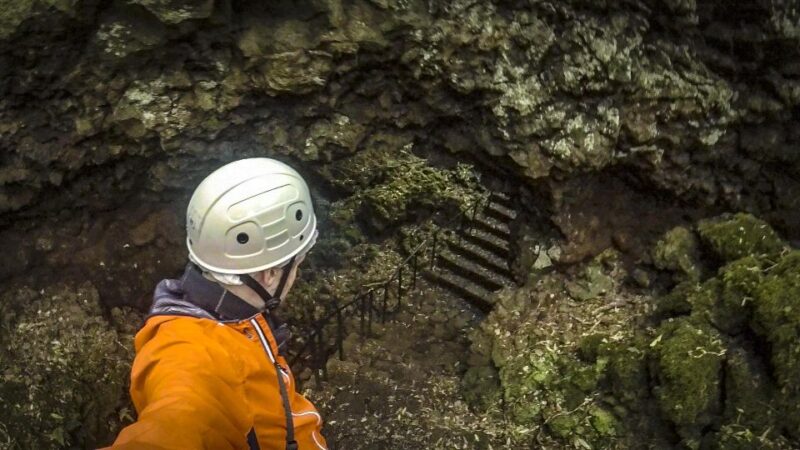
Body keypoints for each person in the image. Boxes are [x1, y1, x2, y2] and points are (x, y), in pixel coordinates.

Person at [107, 158, 327, 450]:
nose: (297, 275)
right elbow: (177, 422)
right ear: (270, 273)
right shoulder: (190, 356)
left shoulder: (236, 323)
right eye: (296, 263)